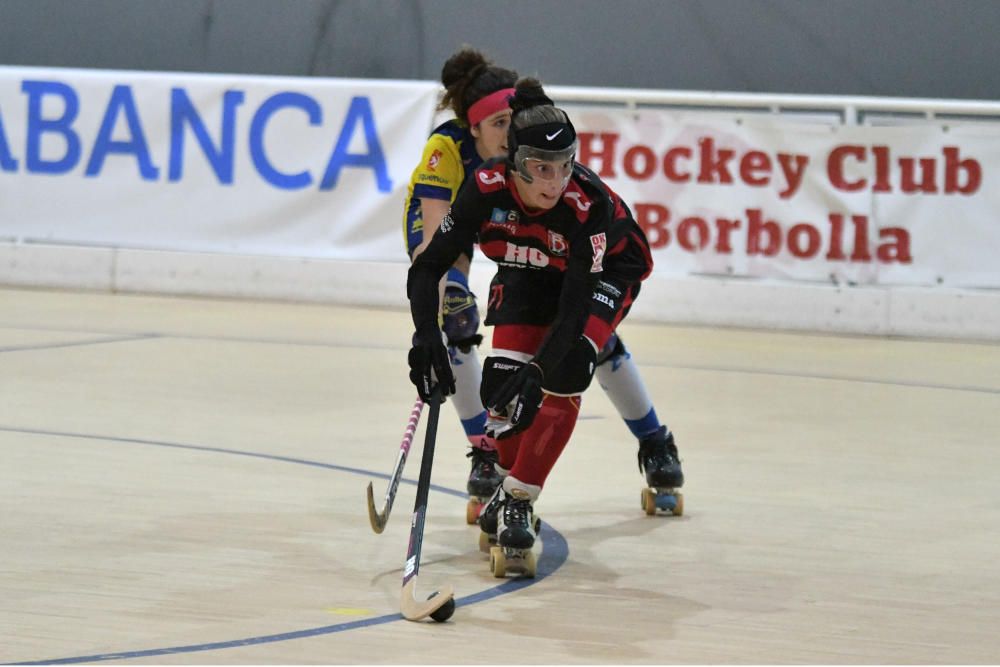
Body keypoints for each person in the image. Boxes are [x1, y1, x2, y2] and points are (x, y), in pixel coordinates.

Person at [407, 77, 684, 555]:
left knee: (569, 365)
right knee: (502, 390)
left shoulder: (585, 206)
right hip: (528, 268)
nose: (556, 183)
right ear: (514, 165)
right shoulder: (484, 189)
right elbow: (429, 262)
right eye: (541, 169)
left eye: (564, 167)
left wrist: (542, 370)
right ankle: (508, 473)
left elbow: (574, 310)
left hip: (603, 274)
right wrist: (425, 335)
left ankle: (519, 498)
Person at [402, 48, 517, 514]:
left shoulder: (526, 145)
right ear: (473, 127)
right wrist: (443, 301)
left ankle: (654, 441)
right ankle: (484, 451)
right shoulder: (444, 149)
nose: (510, 133)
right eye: (498, 123)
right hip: (447, 221)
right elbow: (435, 243)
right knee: (457, 315)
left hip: (500, 220)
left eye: (515, 119)